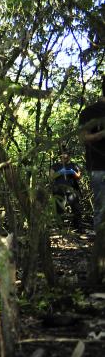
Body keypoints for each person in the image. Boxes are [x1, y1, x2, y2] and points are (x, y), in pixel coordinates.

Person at [80, 95, 105, 285]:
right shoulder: (90, 112)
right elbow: (84, 138)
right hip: (99, 167)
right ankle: (100, 251)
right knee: (101, 208)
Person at [49, 149, 82, 228]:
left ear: (69, 157)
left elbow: (79, 176)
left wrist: (73, 172)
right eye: (63, 156)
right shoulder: (55, 166)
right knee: (59, 209)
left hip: (72, 190)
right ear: (60, 157)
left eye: (67, 156)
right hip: (59, 190)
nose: (65, 158)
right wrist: (59, 172)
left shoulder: (74, 165)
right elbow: (51, 177)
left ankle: (78, 226)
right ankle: (60, 227)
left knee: (76, 209)